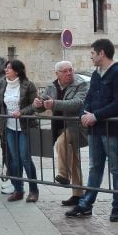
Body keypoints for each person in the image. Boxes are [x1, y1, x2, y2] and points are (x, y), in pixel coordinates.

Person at [66, 39, 118, 221]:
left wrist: (96, 115)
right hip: (95, 129)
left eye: (93, 53)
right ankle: (86, 204)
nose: (91, 57)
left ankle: (117, 207)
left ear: (102, 53)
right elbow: (90, 97)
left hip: (111, 129)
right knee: (95, 167)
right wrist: (86, 113)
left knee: (116, 168)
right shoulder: (96, 73)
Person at [33, 60, 89, 206]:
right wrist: (38, 105)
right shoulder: (52, 86)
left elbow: (77, 103)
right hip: (58, 126)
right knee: (74, 161)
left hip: (74, 126)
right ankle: (78, 194)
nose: (69, 73)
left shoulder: (81, 84)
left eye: (71, 70)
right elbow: (42, 103)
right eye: (65, 71)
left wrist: (54, 104)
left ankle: (63, 175)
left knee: (61, 142)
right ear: (57, 73)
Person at [0, 59, 39, 203]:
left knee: (25, 158)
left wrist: (22, 112)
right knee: (13, 159)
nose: (6, 70)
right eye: (6, 68)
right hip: (9, 127)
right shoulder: (3, 85)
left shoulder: (28, 85)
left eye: (9, 68)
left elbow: (35, 105)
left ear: (17, 71)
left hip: (25, 126)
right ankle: (18, 189)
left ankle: (34, 190)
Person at [0, 56, 14, 194]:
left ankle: (12, 178)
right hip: (5, 122)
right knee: (9, 151)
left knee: (8, 152)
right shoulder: (1, 82)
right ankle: (11, 178)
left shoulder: (0, 83)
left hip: (6, 123)